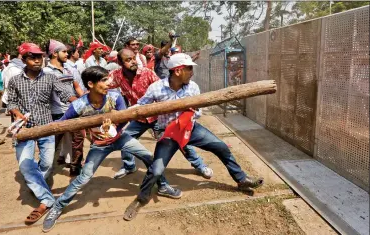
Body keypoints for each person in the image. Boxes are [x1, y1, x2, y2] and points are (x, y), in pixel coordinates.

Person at [123, 53, 264, 221]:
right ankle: (141, 198)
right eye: (189, 68)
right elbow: (142, 105)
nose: (192, 72)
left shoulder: (193, 87)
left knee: (221, 147)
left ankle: (241, 179)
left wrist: (188, 112)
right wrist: (122, 114)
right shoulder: (156, 88)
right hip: (169, 134)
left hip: (191, 129)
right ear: (177, 71)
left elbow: (198, 112)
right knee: (156, 170)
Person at [42, 66, 181, 232]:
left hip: (120, 138)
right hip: (100, 145)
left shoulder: (115, 97)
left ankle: (163, 185)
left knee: (150, 158)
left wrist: (115, 128)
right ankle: (58, 207)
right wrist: (44, 128)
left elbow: (124, 117)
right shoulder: (79, 105)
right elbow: (63, 123)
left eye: (108, 79)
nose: (109, 83)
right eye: (104, 80)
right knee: (84, 177)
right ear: (90, 84)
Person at [109, 49, 213, 179]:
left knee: (179, 141)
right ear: (119, 62)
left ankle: (200, 165)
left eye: (133, 58)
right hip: (138, 116)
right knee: (125, 138)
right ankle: (129, 166)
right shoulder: (116, 75)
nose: (133, 62)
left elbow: (164, 87)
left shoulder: (147, 73)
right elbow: (103, 86)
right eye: (128, 60)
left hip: (158, 118)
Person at [7, 42, 77, 224]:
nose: (38, 60)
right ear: (24, 59)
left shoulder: (50, 78)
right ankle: (47, 199)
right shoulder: (15, 80)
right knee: (25, 165)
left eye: (40, 56)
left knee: (46, 165)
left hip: (46, 127)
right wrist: (17, 114)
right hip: (24, 130)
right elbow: (12, 102)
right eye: (33, 57)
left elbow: (64, 94)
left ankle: (36, 185)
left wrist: (79, 102)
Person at [43, 39, 86, 176]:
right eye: (64, 52)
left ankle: (76, 167)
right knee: (52, 143)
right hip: (56, 112)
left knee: (78, 140)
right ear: (55, 53)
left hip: (73, 109)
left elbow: (77, 87)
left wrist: (84, 101)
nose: (67, 54)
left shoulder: (69, 68)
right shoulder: (45, 72)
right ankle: (44, 171)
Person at [1, 50, 25, 118]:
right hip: (16, 98)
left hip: (10, 95)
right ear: (18, 57)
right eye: (21, 56)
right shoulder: (16, 69)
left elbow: (3, 80)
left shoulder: (8, 68)